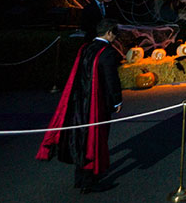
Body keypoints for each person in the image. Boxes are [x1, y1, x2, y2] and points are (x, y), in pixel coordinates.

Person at [37, 19, 123, 194]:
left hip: (78, 101)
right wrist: (117, 101)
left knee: (81, 138)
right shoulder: (107, 53)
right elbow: (111, 80)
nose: (115, 37)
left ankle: (80, 177)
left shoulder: (85, 48)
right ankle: (88, 181)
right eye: (114, 33)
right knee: (95, 139)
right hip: (96, 104)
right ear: (108, 33)